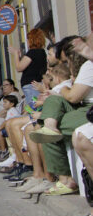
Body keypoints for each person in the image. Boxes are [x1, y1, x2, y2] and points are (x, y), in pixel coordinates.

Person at [29, 38, 91, 195]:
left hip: (89, 110)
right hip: (83, 108)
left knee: (48, 134)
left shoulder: (88, 67)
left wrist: (61, 90)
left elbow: (72, 97)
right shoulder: (83, 68)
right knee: (52, 102)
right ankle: (50, 125)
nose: (64, 64)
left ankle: (65, 179)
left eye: (65, 60)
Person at [8, 29, 47, 109]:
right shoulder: (41, 52)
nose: (27, 41)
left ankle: (34, 120)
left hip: (31, 86)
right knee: (33, 107)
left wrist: (15, 54)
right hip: (35, 84)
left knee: (33, 108)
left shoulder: (32, 52)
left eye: (28, 39)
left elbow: (19, 67)